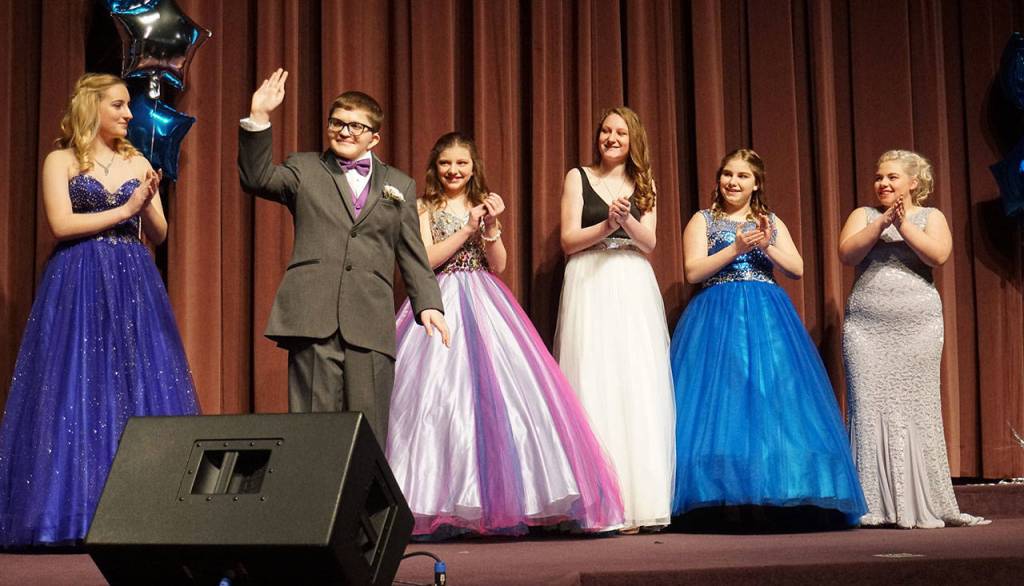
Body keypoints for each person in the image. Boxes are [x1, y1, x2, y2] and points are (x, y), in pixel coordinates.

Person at [387, 133, 624, 538]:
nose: (454, 171)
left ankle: (499, 503)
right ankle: (432, 501)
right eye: (446, 163)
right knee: (437, 402)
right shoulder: (423, 207)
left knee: (500, 402)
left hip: (485, 299)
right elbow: (423, 260)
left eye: (462, 163)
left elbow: (498, 264)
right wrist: (466, 229)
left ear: (473, 167)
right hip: (437, 301)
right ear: (435, 167)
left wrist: (491, 228)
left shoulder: (483, 205)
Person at [0, 73, 200, 547]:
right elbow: (61, 223)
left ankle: (146, 514)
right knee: (75, 388)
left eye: (128, 106)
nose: (129, 114)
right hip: (78, 279)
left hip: (133, 281)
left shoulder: (137, 159)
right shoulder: (61, 159)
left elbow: (160, 234)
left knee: (136, 384)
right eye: (119, 105)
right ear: (92, 107)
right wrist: (125, 206)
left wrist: (147, 202)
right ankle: (67, 515)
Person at [237, 69, 447, 444]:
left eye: (355, 126)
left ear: (374, 137)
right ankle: (314, 503)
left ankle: (363, 504)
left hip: (369, 321)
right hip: (312, 316)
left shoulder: (400, 185)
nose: (344, 131)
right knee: (313, 434)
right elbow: (256, 177)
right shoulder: (304, 168)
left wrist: (428, 304)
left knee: (368, 432)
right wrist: (260, 117)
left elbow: (412, 253)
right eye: (337, 123)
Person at [669, 149, 865, 526]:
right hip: (716, 315)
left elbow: (797, 268)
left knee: (771, 399)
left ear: (755, 183)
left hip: (767, 315)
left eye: (742, 176)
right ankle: (715, 497)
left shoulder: (769, 221)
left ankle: (780, 493)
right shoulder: (703, 219)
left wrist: (765, 245)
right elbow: (693, 271)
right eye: (727, 174)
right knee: (722, 402)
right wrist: (735, 249)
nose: (733, 182)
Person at [839, 149, 987, 528]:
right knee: (868, 408)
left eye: (891, 177)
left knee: (915, 409)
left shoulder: (931, 217)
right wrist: (881, 224)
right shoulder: (863, 215)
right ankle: (872, 503)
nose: (883, 184)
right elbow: (848, 254)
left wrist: (904, 226)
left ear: (913, 183)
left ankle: (919, 500)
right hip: (866, 327)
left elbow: (938, 255)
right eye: (879, 177)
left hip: (917, 325)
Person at [553, 107, 675, 532]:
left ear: (632, 139)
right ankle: (598, 503)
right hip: (589, 279)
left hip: (631, 282)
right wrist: (607, 223)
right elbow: (569, 241)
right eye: (605, 129)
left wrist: (626, 222)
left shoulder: (645, 184)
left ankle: (639, 502)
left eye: (620, 131)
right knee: (593, 381)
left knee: (635, 384)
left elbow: (651, 242)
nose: (610, 137)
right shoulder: (578, 177)